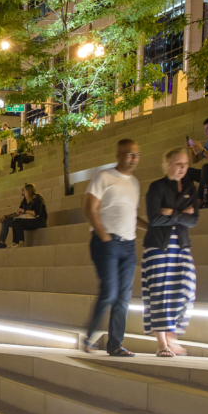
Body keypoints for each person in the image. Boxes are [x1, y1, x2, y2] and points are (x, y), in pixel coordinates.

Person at [83, 139, 148, 357]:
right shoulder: (104, 177)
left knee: (124, 297)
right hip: (107, 243)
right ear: (118, 154)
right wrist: (104, 235)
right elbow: (89, 208)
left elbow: (131, 214)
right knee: (110, 292)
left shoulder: (135, 183)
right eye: (130, 154)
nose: (134, 158)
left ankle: (115, 344)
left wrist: (148, 227)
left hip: (129, 246)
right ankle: (89, 336)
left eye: (137, 155)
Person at [142, 147, 198, 358]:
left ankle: (172, 335)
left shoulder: (190, 188)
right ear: (167, 165)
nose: (183, 167)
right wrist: (181, 214)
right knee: (160, 293)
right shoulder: (157, 187)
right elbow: (155, 219)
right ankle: (162, 344)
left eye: (185, 163)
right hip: (157, 246)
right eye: (178, 163)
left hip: (181, 245)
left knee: (187, 288)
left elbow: (194, 219)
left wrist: (171, 213)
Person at [0, 183, 47, 249]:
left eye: (24, 190)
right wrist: (6, 216)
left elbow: (37, 213)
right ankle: (4, 243)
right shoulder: (25, 200)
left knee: (17, 221)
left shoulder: (38, 198)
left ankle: (21, 242)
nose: (23, 192)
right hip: (28, 219)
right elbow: (19, 212)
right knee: (8, 220)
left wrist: (25, 211)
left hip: (39, 221)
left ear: (28, 191)